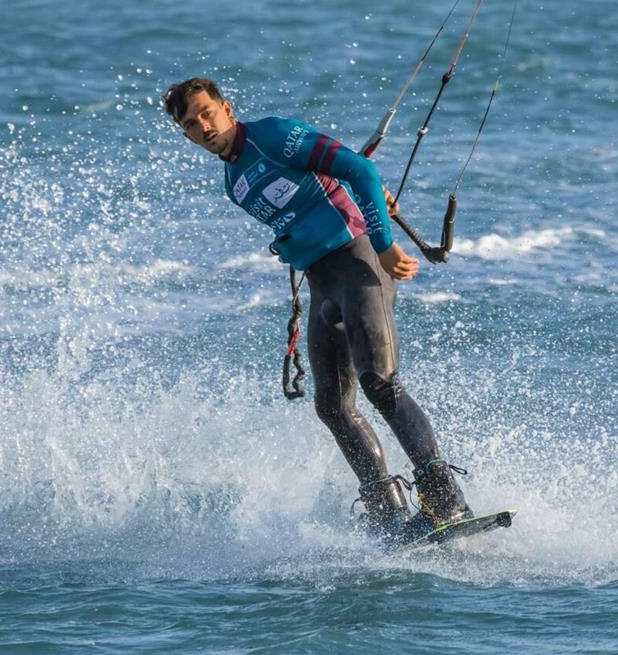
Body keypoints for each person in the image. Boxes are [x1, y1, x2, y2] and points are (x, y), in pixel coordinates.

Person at [164, 77, 473, 542]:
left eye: (207, 112)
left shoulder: (271, 136)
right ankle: (386, 514)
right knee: (331, 406)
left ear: (227, 108)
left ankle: (446, 500)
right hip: (322, 284)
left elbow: (361, 173)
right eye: (190, 124)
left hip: (360, 259)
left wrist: (385, 245)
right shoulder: (233, 180)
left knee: (379, 383)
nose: (203, 126)